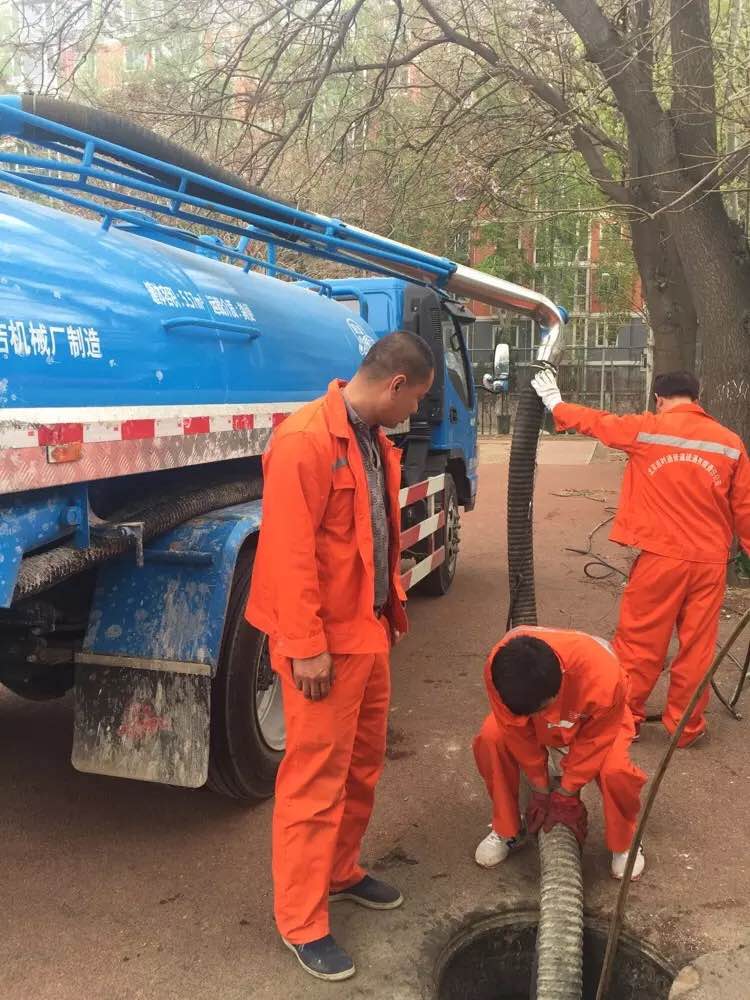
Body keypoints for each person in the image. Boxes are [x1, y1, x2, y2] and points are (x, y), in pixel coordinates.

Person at [245, 331, 435, 982]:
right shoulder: (304, 440)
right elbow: (289, 554)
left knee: (361, 764)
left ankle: (340, 870)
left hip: (368, 632)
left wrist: (391, 609)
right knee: (314, 782)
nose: (414, 416)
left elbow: (375, 536)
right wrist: (304, 648)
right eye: (416, 402)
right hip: (323, 645)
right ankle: (301, 921)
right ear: (395, 386)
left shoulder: (374, 441)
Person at [532, 368, 750, 747]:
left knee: (640, 644)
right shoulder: (729, 443)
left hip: (661, 558)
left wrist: (556, 404)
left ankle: (624, 720)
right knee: (698, 648)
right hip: (709, 562)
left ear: (659, 398)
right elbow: (745, 507)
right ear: (696, 399)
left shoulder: (647, 429)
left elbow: (599, 423)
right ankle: (685, 727)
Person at [473, 627, 647, 880]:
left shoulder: (603, 676)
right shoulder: (498, 669)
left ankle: (624, 841)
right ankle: (508, 829)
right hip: (540, 726)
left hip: (593, 723)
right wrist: (540, 789)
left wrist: (567, 792)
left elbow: (595, 741)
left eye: (542, 707)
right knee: (490, 738)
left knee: (616, 771)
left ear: (561, 682)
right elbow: (514, 730)